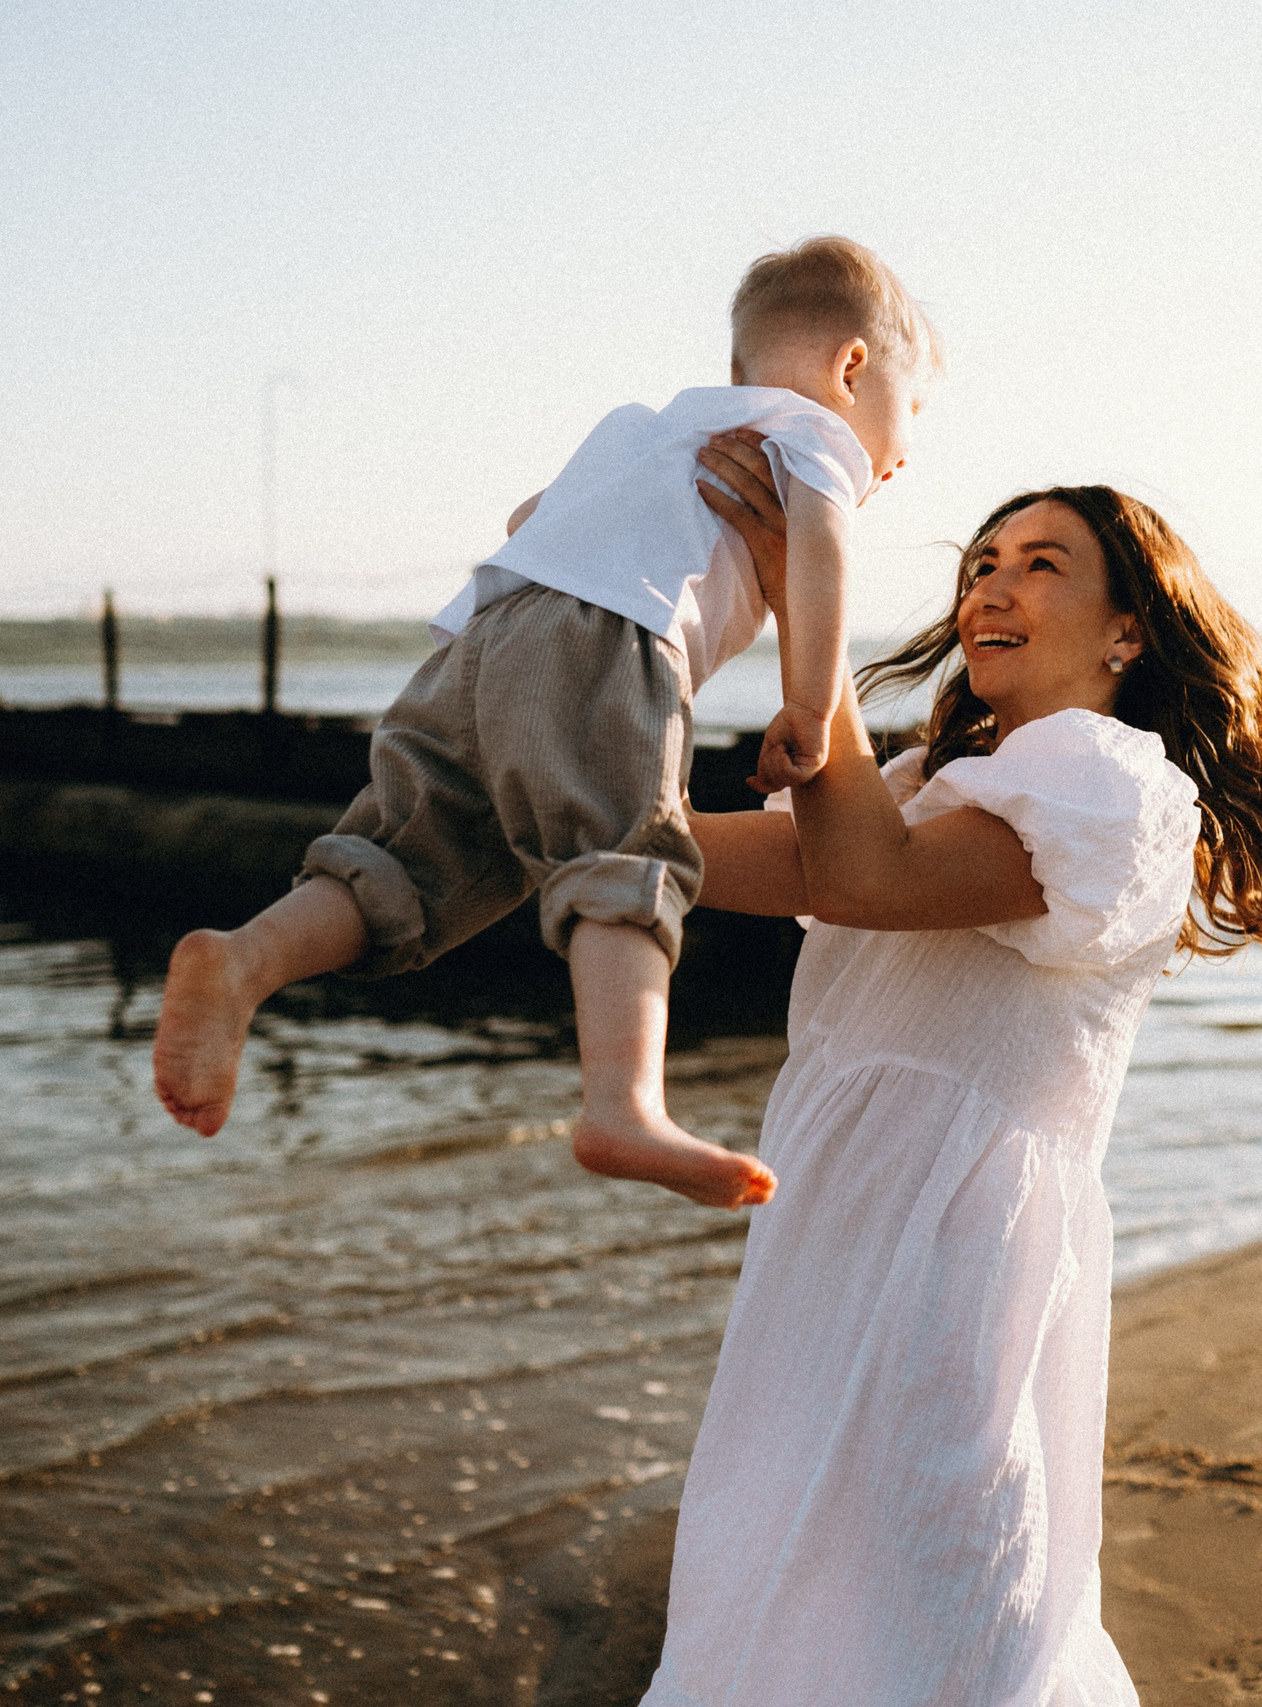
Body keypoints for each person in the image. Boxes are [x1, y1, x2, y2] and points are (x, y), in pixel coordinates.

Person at [643, 441, 1262, 1704]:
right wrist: (554, 820)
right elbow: (738, 859)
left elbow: (866, 884)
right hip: (837, 1222)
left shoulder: (1104, 782)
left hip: (954, 1240)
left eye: (1039, 566)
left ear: (1125, 635)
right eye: (980, 563)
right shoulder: (920, 783)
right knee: (776, 1569)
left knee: (927, 1593)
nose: (990, 587)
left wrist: (803, 589)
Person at [148, 237, 939, 1211]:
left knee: (412, 860)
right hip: (603, 640)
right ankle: (622, 1103)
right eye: (911, 415)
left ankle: (246, 958)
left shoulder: (639, 423)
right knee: (620, 856)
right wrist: (811, 705)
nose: (902, 454)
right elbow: (820, 559)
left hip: (479, 646)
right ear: (850, 367)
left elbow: (531, 514)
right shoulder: (808, 431)